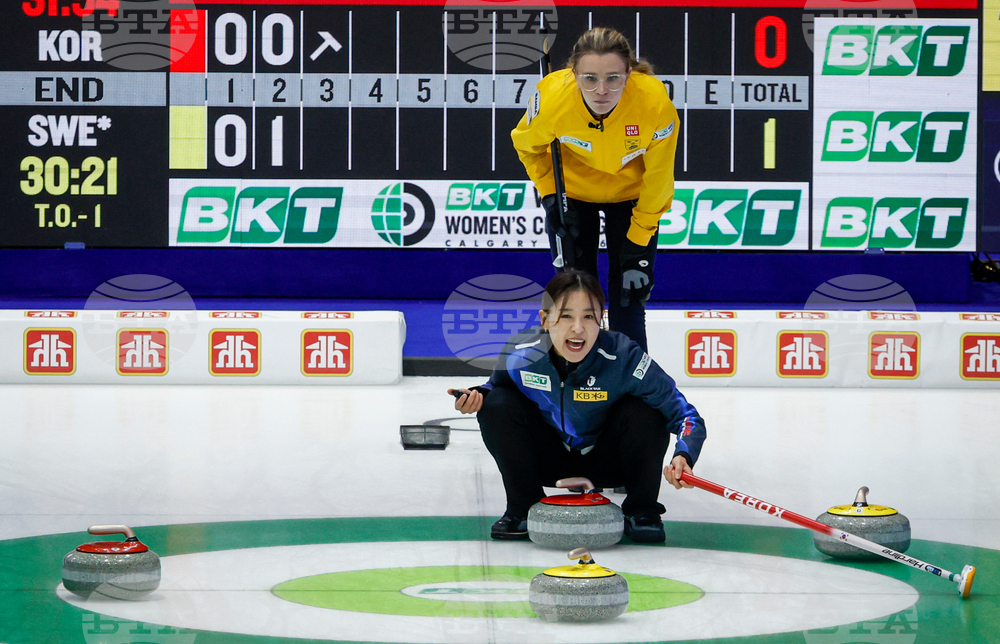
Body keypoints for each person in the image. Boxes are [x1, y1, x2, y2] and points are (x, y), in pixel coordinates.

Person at [448, 270, 705, 543]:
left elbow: (685, 415)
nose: (578, 328)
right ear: (545, 320)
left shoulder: (626, 357)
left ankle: (642, 511)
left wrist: (685, 456)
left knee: (647, 412)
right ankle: (523, 508)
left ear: (601, 320)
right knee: (497, 404)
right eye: (566, 316)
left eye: (589, 317)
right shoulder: (521, 351)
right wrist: (477, 396)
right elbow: (495, 387)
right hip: (549, 460)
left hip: (609, 463)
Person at [511, 27, 680, 352]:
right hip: (572, 195)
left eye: (613, 78)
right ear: (573, 73)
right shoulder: (551, 100)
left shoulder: (654, 103)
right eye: (589, 79)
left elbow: (660, 177)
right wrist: (549, 195)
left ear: (629, 73)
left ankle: (632, 386)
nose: (601, 90)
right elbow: (526, 145)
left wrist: (639, 243)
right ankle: (569, 381)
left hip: (630, 198)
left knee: (629, 295)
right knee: (574, 296)